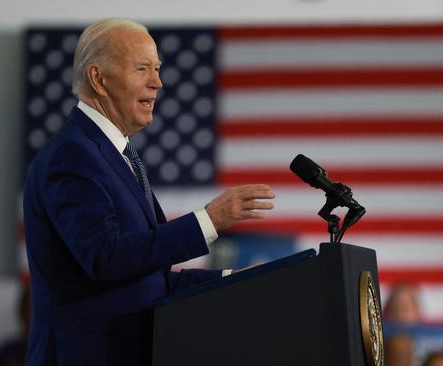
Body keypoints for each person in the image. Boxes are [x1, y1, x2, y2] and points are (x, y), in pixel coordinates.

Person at [23, 18, 275, 366]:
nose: (157, 82)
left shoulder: (116, 154)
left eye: (157, 68)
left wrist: (235, 281)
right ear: (99, 79)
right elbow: (106, 257)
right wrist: (208, 220)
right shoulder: (73, 155)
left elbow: (149, 281)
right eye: (142, 68)